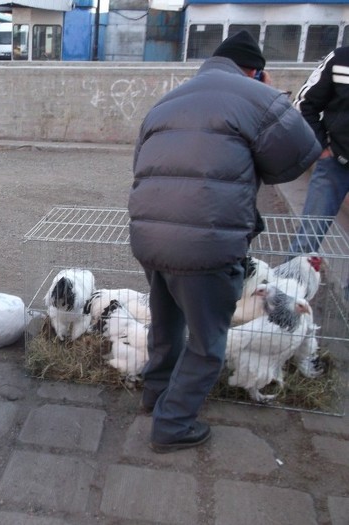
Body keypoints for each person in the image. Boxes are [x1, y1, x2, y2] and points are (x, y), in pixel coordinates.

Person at [127, 30, 321, 453]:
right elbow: (299, 156)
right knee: (208, 342)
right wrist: (269, 96)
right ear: (255, 70)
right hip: (205, 245)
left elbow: (143, 163)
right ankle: (172, 424)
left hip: (149, 236)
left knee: (167, 324)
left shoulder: (170, 99)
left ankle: (156, 395)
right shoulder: (257, 96)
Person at [289, 46, 349, 264]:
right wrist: (321, 148)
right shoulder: (341, 58)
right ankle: (288, 295)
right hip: (334, 163)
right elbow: (304, 104)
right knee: (308, 238)